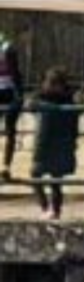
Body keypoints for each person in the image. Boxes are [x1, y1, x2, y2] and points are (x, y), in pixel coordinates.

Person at [28, 69, 76, 220]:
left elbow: (76, 111)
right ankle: (45, 207)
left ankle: (55, 210)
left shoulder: (68, 97)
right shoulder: (42, 95)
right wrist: (47, 107)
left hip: (60, 142)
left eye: (51, 83)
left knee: (56, 181)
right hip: (44, 142)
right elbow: (30, 105)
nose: (46, 86)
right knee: (35, 175)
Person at [0, 29, 19, 178]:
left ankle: (6, 167)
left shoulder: (7, 46)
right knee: (10, 132)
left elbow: (14, 71)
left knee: (10, 131)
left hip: (9, 92)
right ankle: (6, 167)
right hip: (9, 91)